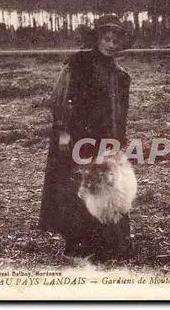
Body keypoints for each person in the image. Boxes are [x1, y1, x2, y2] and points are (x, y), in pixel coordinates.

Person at [38, 14, 134, 257]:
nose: (111, 45)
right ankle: (77, 242)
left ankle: (106, 241)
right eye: (107, 39)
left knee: (106, 186)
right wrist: (62, 130)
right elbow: (61, 98)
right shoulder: (79, 63)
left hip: (106, 138)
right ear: (97, 39)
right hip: (78, 135)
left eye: (116, 41)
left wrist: (119, 142)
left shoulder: (121, 75)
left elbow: (120, 114)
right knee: (77, 186)